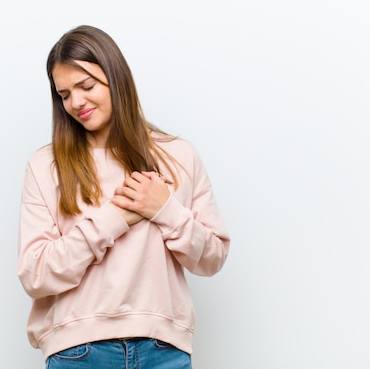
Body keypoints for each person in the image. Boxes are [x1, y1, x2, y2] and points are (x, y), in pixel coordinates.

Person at [18, 25, 230, 368]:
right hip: (78, 352)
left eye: (87, 86)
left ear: (117, 78)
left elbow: (211, 258)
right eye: (65, 94)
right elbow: (36, 274)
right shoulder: (46, 166)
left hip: (164, 351)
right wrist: (116, 217)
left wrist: (165, 210)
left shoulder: (178, 155)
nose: (76, 102)